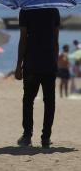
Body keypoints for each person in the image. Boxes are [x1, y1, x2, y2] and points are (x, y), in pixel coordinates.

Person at [15, 8, 60, 149]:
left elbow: (23, 40)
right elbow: (55, 40)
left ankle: (27, 136)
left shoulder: (25, 11)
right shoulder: (54, 11)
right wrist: (55, 61)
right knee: (49, 102)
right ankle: (46, 138)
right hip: (48, 63)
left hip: (32, 63)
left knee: (28, 100)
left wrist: (18, 65)